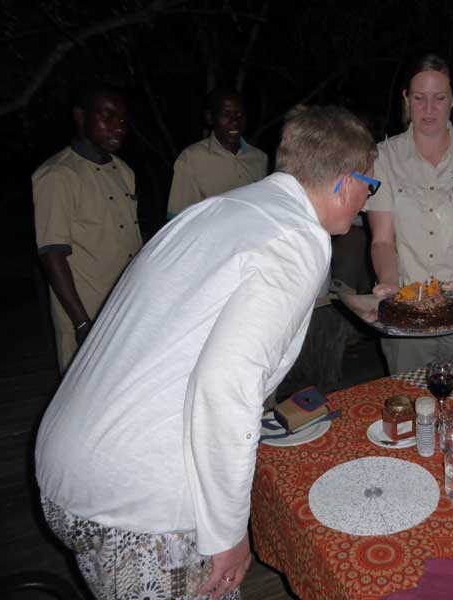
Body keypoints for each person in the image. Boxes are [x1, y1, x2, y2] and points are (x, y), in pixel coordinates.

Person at [35, 105, 377, 600]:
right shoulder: (299, 236)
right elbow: (227, 387)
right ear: (346, 182)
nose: (367, 202)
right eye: (370, 186)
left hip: (69, 463)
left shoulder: (222, 209)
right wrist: (228, 531)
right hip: (134, 500)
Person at [367, 54, 453, 375]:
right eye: (419, 98)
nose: (428, 109)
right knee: (410, 396)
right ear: (406, 99)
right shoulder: (383, 157)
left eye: (439, 98)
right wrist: (389, 286)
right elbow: (382, 240)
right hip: (408, 305)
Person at [32, 86, 142, 372]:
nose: (119, 125)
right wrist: (81, 323)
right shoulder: (58, 175)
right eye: (108, 116)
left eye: (122, 119)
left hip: (128, 307)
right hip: (88, 314)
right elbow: (52, 254)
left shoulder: (124, 171)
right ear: (81, 117)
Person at [167, 88, 268, 219]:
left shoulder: (260, 158)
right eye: (226, 114)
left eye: (240, 114)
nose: (235, 121)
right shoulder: (190, 159)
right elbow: (178, 219)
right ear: (210, 118)